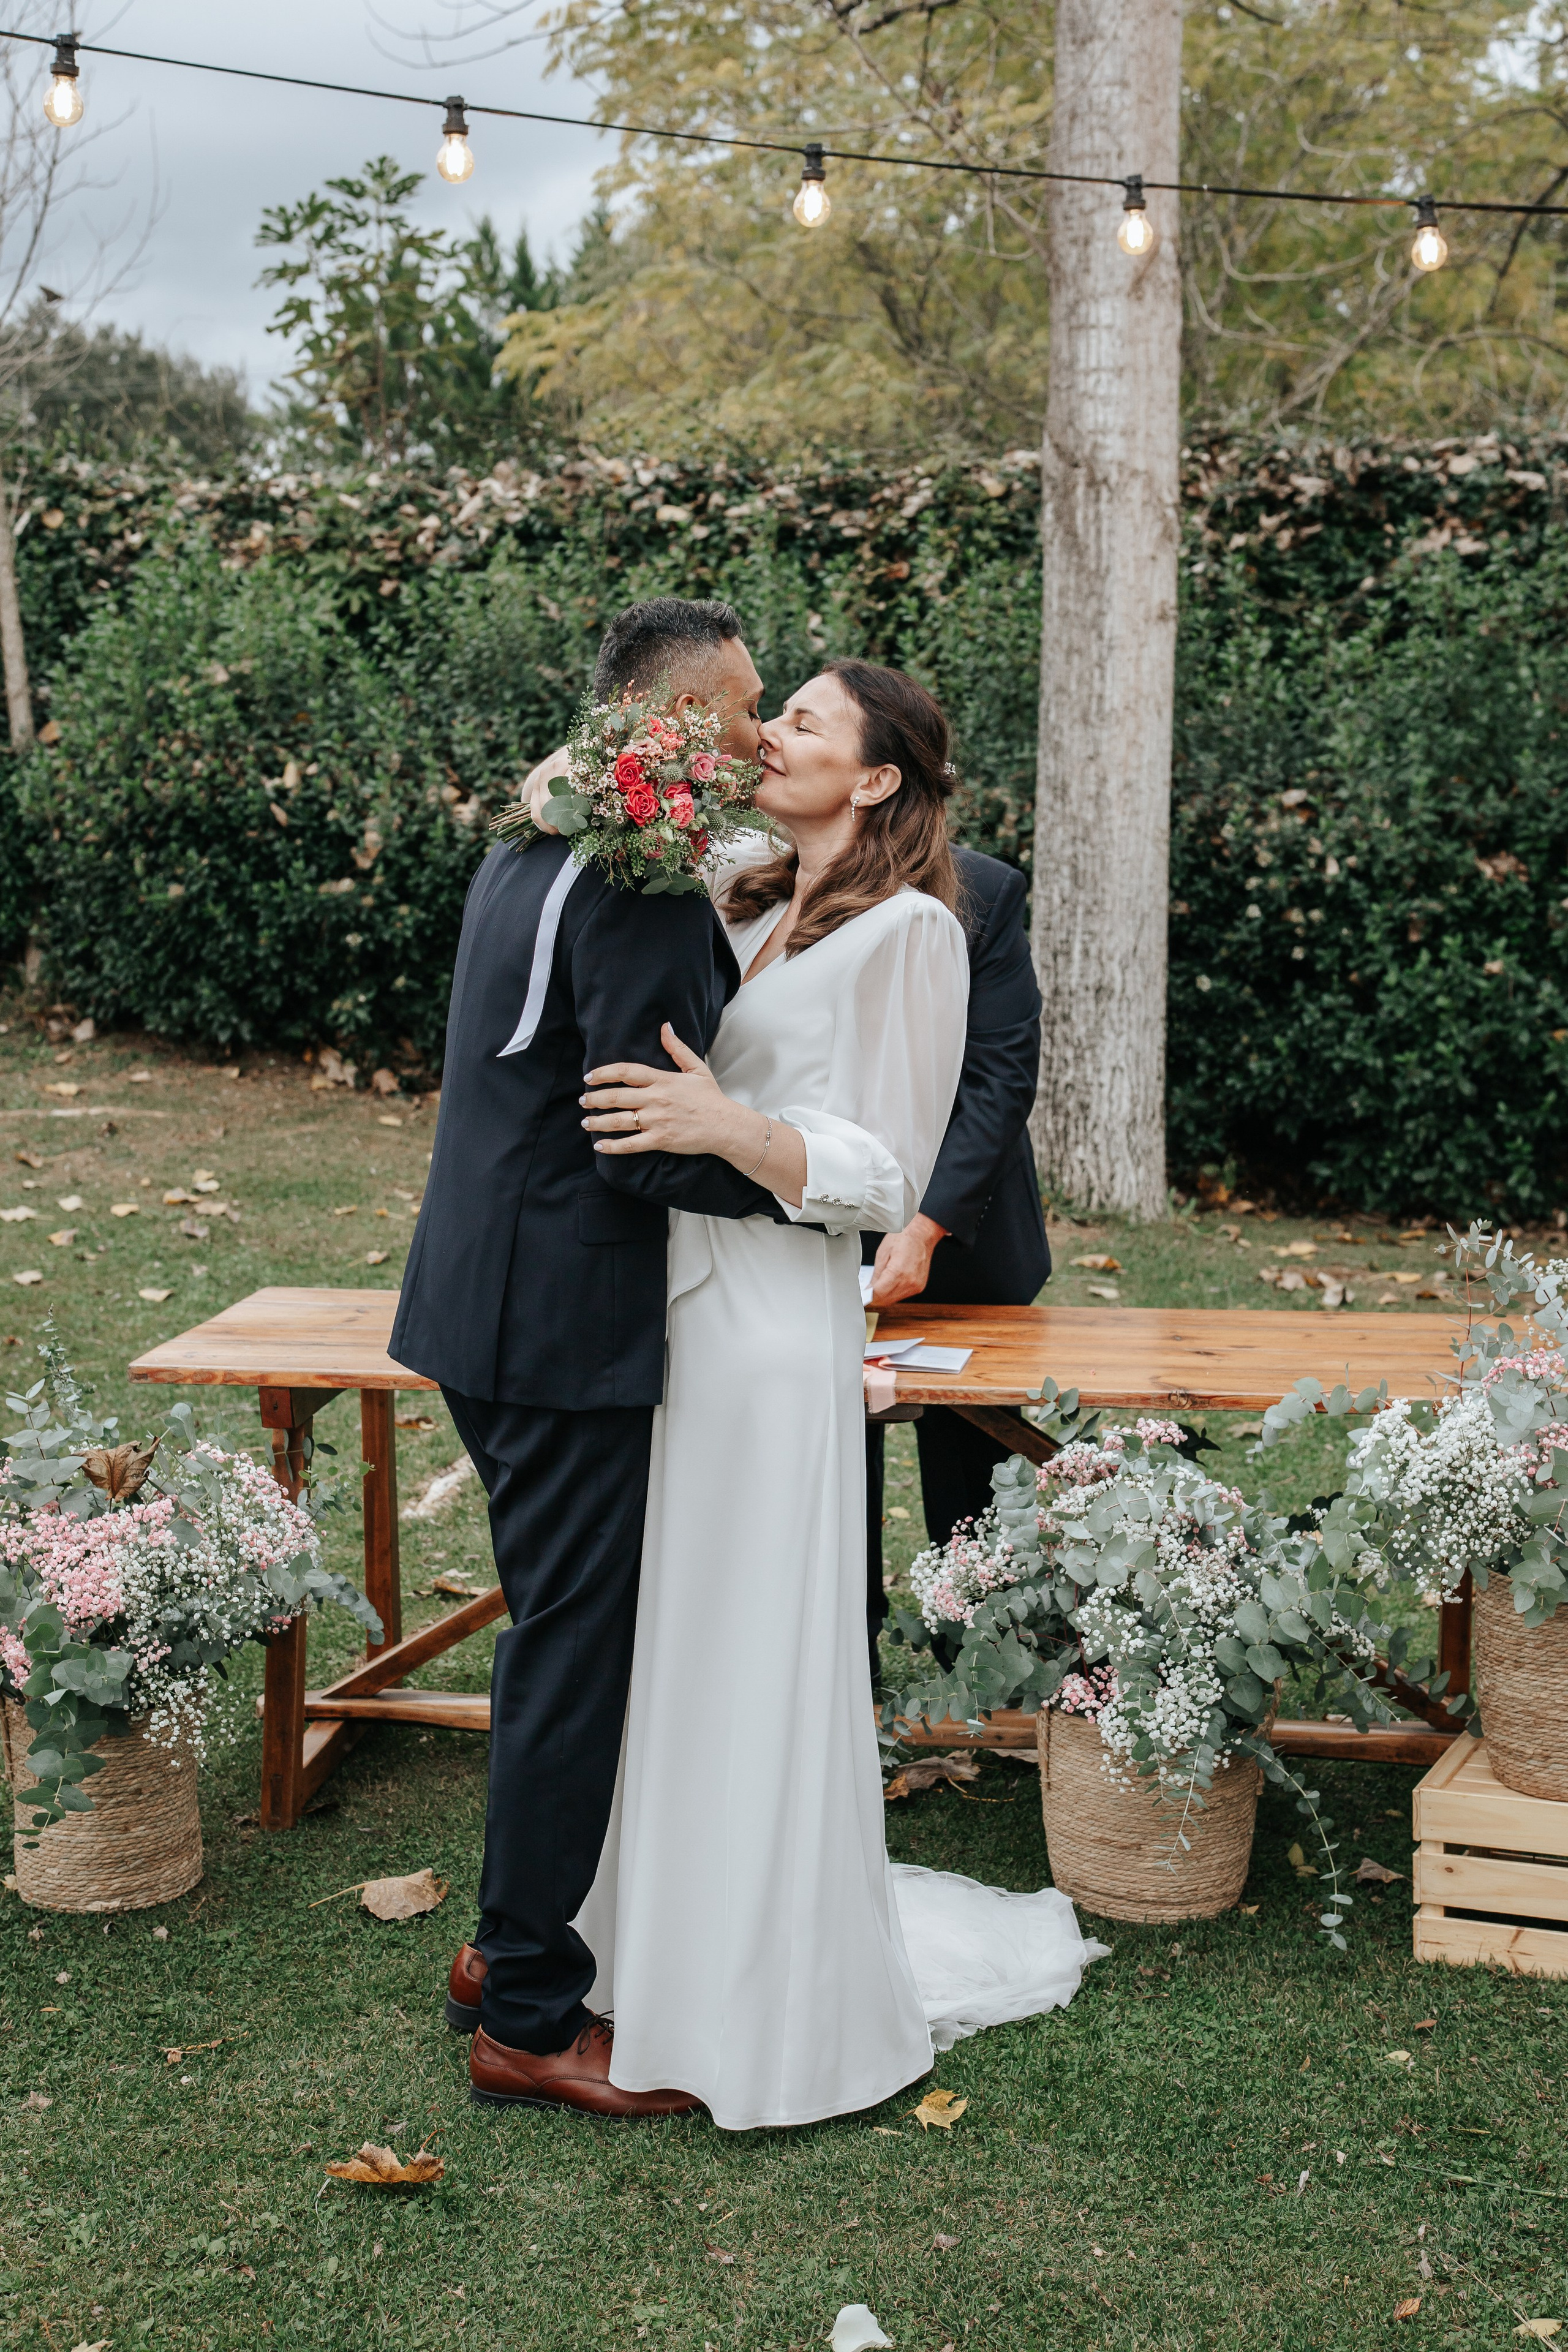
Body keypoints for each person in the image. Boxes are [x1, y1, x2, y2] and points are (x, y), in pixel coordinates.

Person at [543, 660, 1102, 2131]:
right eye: (770, 712)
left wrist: (732, 1131)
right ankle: (646, 1946)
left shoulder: (912, 929)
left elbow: (887, 1171)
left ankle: (762, 1992)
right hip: (671, 1318)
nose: (767, 735)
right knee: (673, 1637)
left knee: (752, 1644)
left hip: (774, 1330)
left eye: (800, 721)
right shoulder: (734, 888)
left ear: (874, 777)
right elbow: (572, 813)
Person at [391, 597, 786, 2120]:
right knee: (570, 1654)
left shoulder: (534, 838)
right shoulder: (636, 883)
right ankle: (528, 2012)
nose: (759, 735)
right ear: (673, 719)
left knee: (552, 1632)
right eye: (744, 707)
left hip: (476, 1297)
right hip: (557, 1321)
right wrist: (809, 1181)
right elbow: (641, 1141)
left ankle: (495, 1957)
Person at [862, 848, 1051, 1684]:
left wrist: (928, 1225)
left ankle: (980, 1654)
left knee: (975, 1459)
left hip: (966, 1231)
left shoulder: (983, 892)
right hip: (807, 1223)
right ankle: (838, 1654)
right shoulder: (757, 884)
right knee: (825, 1450)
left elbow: (999, 1076)